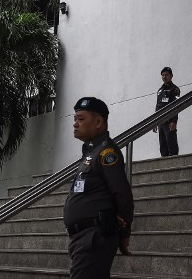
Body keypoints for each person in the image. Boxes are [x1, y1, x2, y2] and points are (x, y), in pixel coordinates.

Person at [64, 97, 134, 279]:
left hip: (93, 237)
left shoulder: (106, 153)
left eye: (81, 119)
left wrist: (124, 233)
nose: (75, 124)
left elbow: (122, 194)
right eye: (75, 119)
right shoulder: (91, 153)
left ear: (98, 122)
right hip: (84, 237)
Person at [153, 66, 181, 156]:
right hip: (160, 122)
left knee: (171, 143)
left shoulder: (175, 89)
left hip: (169, 121)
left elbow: (177, 105)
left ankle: (174, 160)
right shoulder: (160, 90)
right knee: (163, 145)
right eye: (163, 75)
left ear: (171, 76)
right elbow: (158, 106)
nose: (164, 77)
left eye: (166, 75)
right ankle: (164, 161)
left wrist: (174, 121)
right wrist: (154, 122)